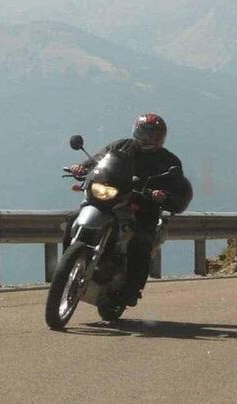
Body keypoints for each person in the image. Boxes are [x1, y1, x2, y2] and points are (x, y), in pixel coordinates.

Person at [66, 113, 191, 306]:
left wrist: (163, 195)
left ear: (160, 138)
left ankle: (132, 289)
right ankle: (67, 263)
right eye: (143, 133)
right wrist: (81, 167)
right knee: (73, 217)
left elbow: (176, 186)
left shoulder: (168, 161)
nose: (146, 138)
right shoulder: (121, 146)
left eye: (152, 135)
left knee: (140, 241)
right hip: (114, 198)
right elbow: (99, 159)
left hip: (142, 207)